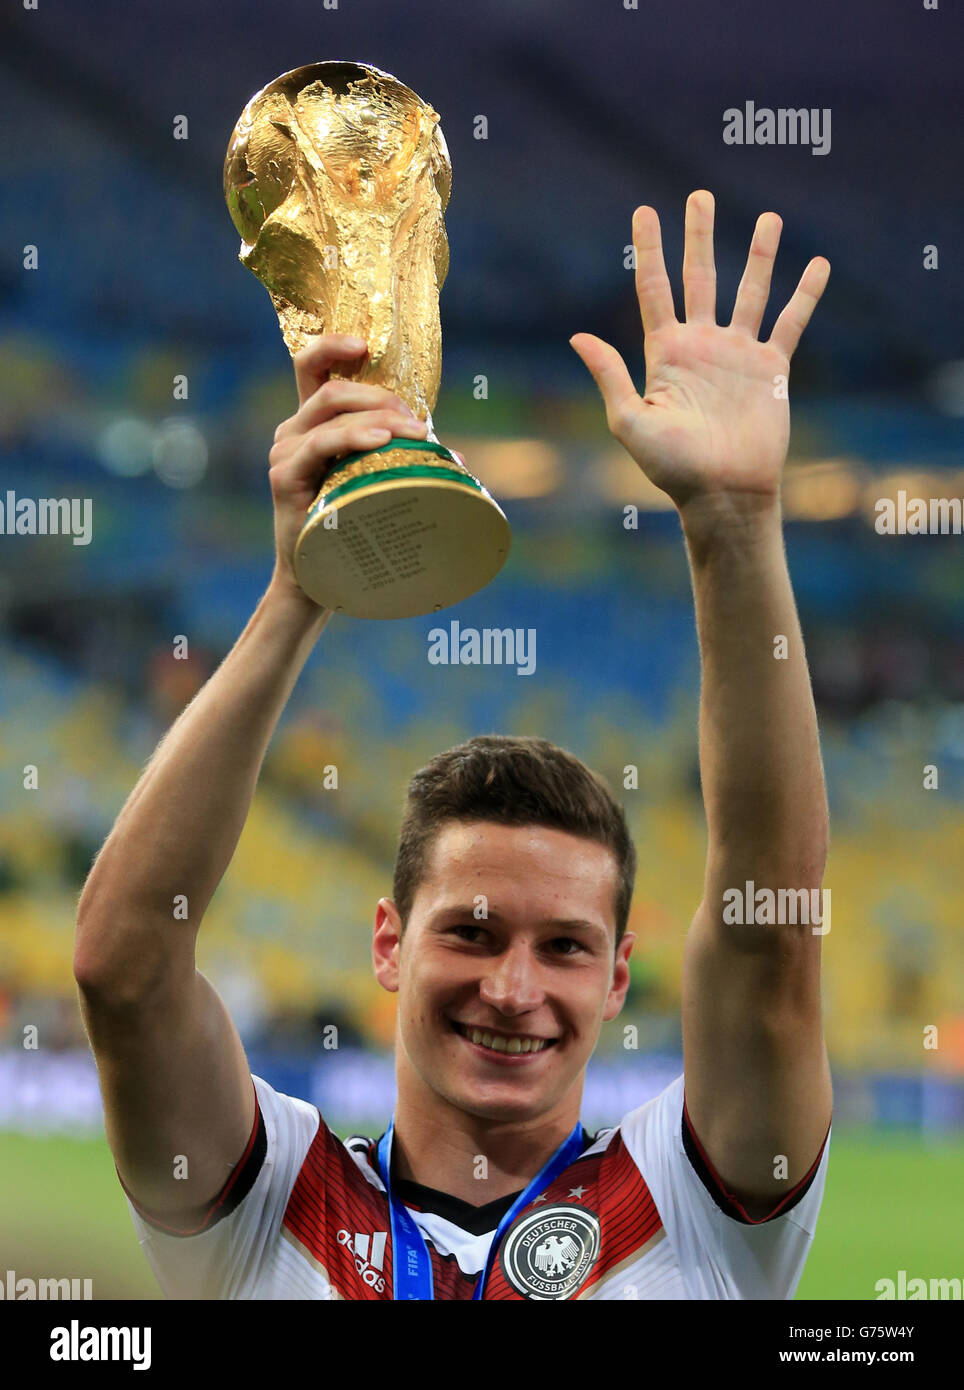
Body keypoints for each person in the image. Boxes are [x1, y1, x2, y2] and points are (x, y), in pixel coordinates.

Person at [74, 189, 833, 1300]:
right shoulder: (262, 1204)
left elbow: (770, 935)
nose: (514, 988)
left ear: (621, 973)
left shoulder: (694, 1205)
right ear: (389, 942)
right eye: (472, 931)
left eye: (567, 946)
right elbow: (124, 967)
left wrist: (734, 523)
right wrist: (300, 585)